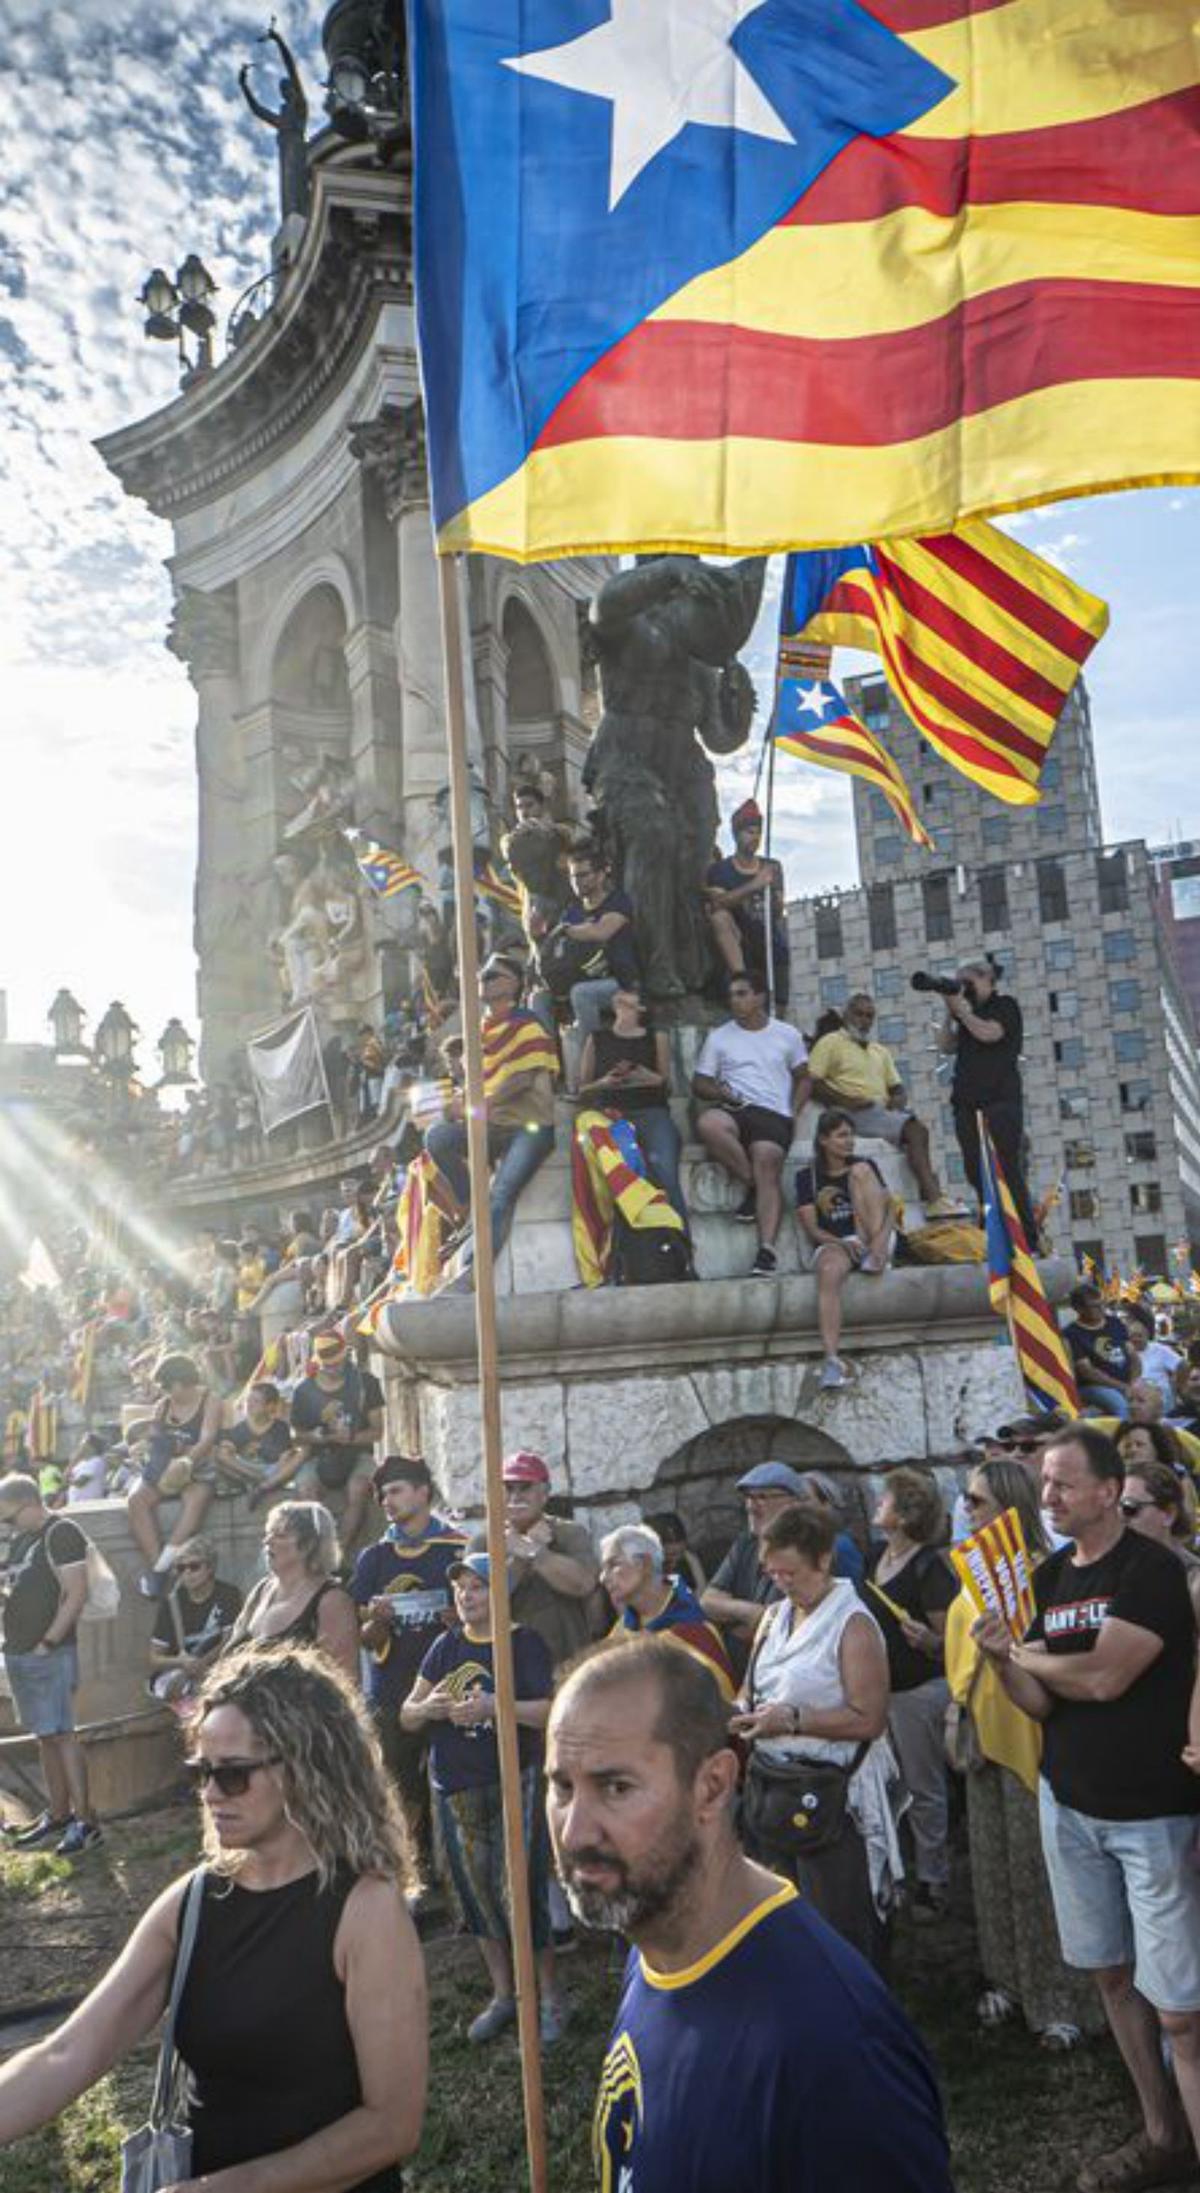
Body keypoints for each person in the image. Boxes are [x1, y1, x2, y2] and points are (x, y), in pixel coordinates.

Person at [0, 1644, 426, 2185]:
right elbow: (67, 2053)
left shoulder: (366, 1911)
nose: (209, 1793)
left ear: (304, 1767)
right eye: (201, 1772)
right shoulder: (195, 1902)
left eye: (233, 1775)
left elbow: (392, 2126)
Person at [548, 1636, 953, 2193]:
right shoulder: (656, 1938)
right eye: (561, 1787)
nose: (573, 1831)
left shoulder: (833, 2048)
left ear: (712, 1786)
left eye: (615, 1787)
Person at [976, 1424, 1200, 2193]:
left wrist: (1027, 1653)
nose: (1049, 1496)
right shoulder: (1045, 1578)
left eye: (1064, 1483)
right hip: (1071, 1805)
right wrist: (1005, 1661)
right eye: (1043, 1482)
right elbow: (1042, 1701)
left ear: (1109, 1490)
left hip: (1154, 1813)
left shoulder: (1152, 1571)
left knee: (1180, 2008)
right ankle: (1162, 2134)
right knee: (1112, 1974)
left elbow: (1107, 1678)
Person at [944, 1456, 1102, 2048]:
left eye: (978, 1500)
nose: (967, 1508)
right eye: (966, 1498)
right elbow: (960, 1654)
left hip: (1035, 1738)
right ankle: (1009, 1978)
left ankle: (1060, 1998)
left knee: (1042, 1876)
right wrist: (954, 1712)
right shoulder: (970, 1577)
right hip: (982, 1738)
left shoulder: (1044, 1574)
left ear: (1010, 1508)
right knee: (994, 1870)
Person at [400, 1552, 564, 2045]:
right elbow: (407, 1715)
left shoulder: (523, 1644)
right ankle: (504, 1996)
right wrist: (429, 1707)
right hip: (456, 1786)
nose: (466, 1597)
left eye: (476, 1587)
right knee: (477, 1894)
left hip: (516, 1777)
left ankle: (551, 1996)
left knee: (522, 1888)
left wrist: (497, 1706)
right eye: (460, 1589)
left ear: (499, 1593)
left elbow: (551, 1711)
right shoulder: (445, 1647)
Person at [732, 1501, 898, 1966]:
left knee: (840, 1925)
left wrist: (793, 1719)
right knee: (780, 1917)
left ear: (823, 1560)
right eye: (773, 1573)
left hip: (832, 1794)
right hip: (773, 1785)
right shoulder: (772, 1617)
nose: (781, 1583)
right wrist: (736, 1713)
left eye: (791, 1573)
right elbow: (752, 1688)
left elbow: (869, 1718)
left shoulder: (854, 1624)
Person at [352, 1455, 465, 1911]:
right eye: (382, 1495)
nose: (387, 1501)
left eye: (397, 1490)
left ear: (423, 1491)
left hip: (452, 1685)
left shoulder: (456, 1549)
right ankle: (414, 1879)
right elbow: (365, 1637)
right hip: (392, 1689)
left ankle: (459, 1878)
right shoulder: (374, 1558)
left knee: (455, 1781)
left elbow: (484, 1620)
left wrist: (459, 1620)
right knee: (400, 1788)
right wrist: (376, 1622)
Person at [424, 954, 557, 1278]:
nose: (483, 982)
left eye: (492, 976)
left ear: (513, 984)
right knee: (437, 1137)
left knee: (502, 1194)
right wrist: (452, 1107)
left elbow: (522, 1079)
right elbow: (473, 1086)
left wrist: (483, 1105)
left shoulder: (526, 1023)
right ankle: (470, 1202)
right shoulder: (478, 1030)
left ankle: (474, 1274)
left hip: (530, 1127)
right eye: (481, 976)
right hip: (493, 1127)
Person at [866, 1467, 957, 1922]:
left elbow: (952, 1645)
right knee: (887, 1786)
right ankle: (897, 1871)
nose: (877, 1504)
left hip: (918, 1692)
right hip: (881, 1691)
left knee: (923, 1787)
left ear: (904, 1514)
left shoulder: (929, 1566)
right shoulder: (874, 1558)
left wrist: (928, 1641)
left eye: (885, 1499)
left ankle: (933, 1879)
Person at [0, 1471, 100, 1855]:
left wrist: (48, 1642)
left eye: (9, 1517)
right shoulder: (23, 1538)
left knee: (62, 1734)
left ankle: (86, 1821)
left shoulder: (62, 1532)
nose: (7, 1525)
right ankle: (58, 1815)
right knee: (45, 1735)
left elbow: (76, 1593)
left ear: (29, 1504)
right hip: (20, 1649)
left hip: (49, 1650)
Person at [692, 971, 809, 1277]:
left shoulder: (788, 1034)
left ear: (760, 997)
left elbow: (805, 1077)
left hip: (774, 1113)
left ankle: (766, 1251)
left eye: (742, 993)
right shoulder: (719, 1036)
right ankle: (755, 1185)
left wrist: (793, 1112)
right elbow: (700, 1082)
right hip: (737, 1107)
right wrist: (721, 1092)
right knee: (709, 1124)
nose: (736, 1000)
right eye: (732, 995)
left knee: (766, 1159)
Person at [807, 991, 960, 1216]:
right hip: (850, 1113)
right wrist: (846, 1101)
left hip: (879, 1112)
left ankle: (931, 1194)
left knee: (915, 1132)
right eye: (858, 1014)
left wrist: (897, 1099)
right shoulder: (831, 1042)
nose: (864, 1020)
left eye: (869, 1016)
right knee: (915, 1130)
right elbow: (812, 1082)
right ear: (847, 1015)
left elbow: (897, 1088)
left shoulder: (880, 1051)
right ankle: (934, 1199)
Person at [937, 955, 1035, 1247]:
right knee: (975, 1170)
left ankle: (1025, 1237)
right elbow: (946, 1045)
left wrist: (964, 1014)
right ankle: (992, 1230)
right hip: (967, 1104)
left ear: (988, 980)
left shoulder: (1004, 1006)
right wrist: (950, 1010)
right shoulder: (968, 1014)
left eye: (970, 982)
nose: (965, 988)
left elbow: (990, 1034)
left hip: (1000, 1101)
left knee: (1007, 1168)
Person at [796, 1108, 896, 1391]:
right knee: (828, 1271)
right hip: (836, 1241)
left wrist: (878, 1242)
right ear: (824, 1140)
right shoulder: (808, 1177)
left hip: (873, 1234)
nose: (849, 1142)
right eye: (841, 1136)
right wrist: (841, 1244)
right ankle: (831, 1360)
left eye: (851, 1135)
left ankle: (874, 1256)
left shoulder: (865, 1164)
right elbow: (813, 1228)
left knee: (859, 1171)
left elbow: (890, 1208)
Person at [577, 983, 686, 1221]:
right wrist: (605, 1082)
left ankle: (681, 1245)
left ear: (641, 1007)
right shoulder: (596, 1039)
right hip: (610, 1114)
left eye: (628, 995)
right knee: (620, 1181)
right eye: (620, 995)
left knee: (667, 1176)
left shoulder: (656, 1036)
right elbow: (582, 1089)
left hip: (651, 1111)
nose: (621, 997)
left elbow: (667, 1086)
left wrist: (649, 1077)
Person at [485, 1450, 599, 1671]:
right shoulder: (485, 1541)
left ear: (545, 1493)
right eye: (508, 1488)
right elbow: (484, 1601)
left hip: (567, 1660)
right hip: (509, 1664)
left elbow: (584, 1584)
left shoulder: (570, 1533)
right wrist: (520, 1557)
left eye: (525, 1487)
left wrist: (535, 1552)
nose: (515, 1497)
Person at [227, 1500, 360, 1681]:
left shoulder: (331, 1600)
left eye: (280, 1535)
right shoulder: (261, 1590)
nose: (267, 1541)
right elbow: (230, 1655)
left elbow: (345, 1680)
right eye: (268, 1534)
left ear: (309, 1545)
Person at [126, 1351, 223, 1597]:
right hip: (164, 1469)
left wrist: (186, 1461)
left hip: (199, 1468)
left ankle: (160, 1569)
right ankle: (159, 1565)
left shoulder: (210, 1400)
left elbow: (208, 1438)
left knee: (195, 1502)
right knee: (136, 1500)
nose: (166, 1391)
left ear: (181, 1382)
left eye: (168, 1386)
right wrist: (144, 1447)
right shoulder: (163, 1406)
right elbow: (156, 1439)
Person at [599, 1523, 735, 1699]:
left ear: (645, 1564)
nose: (602, 1578)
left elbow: (721, 1704)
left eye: (613, 1565)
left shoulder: (694, 1631)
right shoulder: (623, 1627)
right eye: (603, 1568)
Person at [288, 1331, 385, 1554]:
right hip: (318, 1454)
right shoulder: (304, 1390)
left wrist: (350, 1438)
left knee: (359, 1488)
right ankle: (321, 1549)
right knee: (306, 1490)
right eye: (329, 1365)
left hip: (359, 1452)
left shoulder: (366, 1383)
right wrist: (316, 1437)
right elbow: (295, 1435)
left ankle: (339, 1551)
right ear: (319, 1363)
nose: (336, 1368)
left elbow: (377, 1432)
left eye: (339, 1362)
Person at [704, 796, 791, 1007]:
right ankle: (741, 980)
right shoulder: (720, 871)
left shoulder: (772, 867)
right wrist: (754, 886)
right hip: (741, 943)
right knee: (719, 917)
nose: (755, 837)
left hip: (771, 947)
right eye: (749, 832)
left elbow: (778, 911)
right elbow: (716, 904)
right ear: (736, 834)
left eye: (758, 832)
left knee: (776, 1008)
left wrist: (772, 891)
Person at [557, 842, 640, 1041]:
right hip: (582, 977)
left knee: (581, 994)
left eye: (582, 875)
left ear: (601, 874)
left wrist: (568, 930)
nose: (576, 882)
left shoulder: (618, 901)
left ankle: (595, 1052)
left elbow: (602, 931)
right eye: (572, 876)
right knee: (541, 998)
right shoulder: (572, 911)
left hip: (619, 982)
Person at [148, 1534, 242, 1703]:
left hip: (217, 1666)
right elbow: (154, 1658)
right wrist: (181, 1662)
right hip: (180, 1672)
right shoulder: (172, 1603)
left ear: (210, 1567)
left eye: (194, 1566)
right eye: (181, 1568)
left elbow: (231, 1640)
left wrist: (203, 1664)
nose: (187, 1573)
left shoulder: (228, 1595)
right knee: (179, 1686)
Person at [1118, 1458, 1200, 1622]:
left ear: (1169, 1514)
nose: (1119, 1518)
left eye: (1129, 1508)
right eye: (1113, 1508)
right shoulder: (1104, 1573)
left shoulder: (1193, 1581)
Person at [1063, 1282, 1135, 1419]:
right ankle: (1123, 1436)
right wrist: (1122, 1387)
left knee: (1154, 1395)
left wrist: (1134, 1382)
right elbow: (1087, 1372)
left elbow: (1133, 1357)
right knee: (1119, 1404)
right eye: (1095, 1306)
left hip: (1127, 1382)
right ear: (1079, 1309)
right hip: (1094, 1387)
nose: (1101, 1309)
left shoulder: (1115, 1323)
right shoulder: (1072, 1333)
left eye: (1103, 1304)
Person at [1124, 1306, 1182, 1409]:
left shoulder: (1160, 1350)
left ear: (1147, 1335)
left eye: (1139, 1335)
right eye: (1132, 1336)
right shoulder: (1124, 1352)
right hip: (1133, 1398)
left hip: (1160, 1398)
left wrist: (1178, 1387)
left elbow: (1182, 1365)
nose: (1136, 1339)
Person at [643, 1508, 706, 1594]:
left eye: (681, 1552)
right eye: (670, 1554)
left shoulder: (685, 1563)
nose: (676, 1559)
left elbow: (701, 1596)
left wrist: (693, 1562)